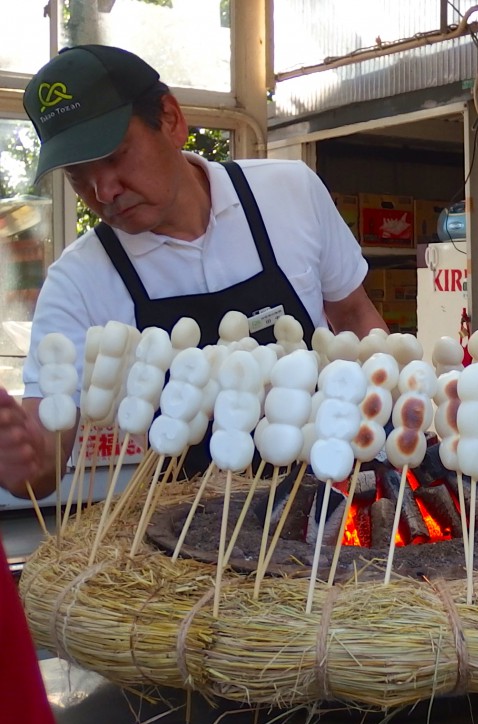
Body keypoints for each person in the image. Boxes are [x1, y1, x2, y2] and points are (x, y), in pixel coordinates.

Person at [0, 44, 388, 498]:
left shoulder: (289, 193)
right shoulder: (78, 280)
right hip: (189, 542)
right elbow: (41, 468)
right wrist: (18, 459)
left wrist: (391, 419)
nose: (103, 190)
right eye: (76, 175)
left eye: (115, 156)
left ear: (170, 118)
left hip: (334, 503)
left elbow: (356, 316)